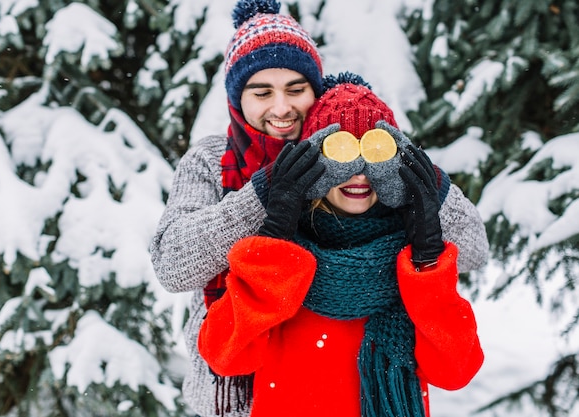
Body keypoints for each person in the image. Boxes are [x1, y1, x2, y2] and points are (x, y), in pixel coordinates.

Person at [149, 0, 488, 414]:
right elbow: (173, 265)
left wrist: (430, 195)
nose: (281, 108)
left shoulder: (375, 195)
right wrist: (267, 199)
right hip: (232, 393)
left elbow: (471, 257)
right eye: (261, 92)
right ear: (237, 98)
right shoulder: (212, 161)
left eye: (296, 89)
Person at [197, 73, 485, 417]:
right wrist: (274, 238)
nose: (359, 174)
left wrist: (427, 253)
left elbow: (456, 371)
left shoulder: (412, 261)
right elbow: (225, 356)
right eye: (342, 154)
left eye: (375, 155)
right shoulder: (286, 254)